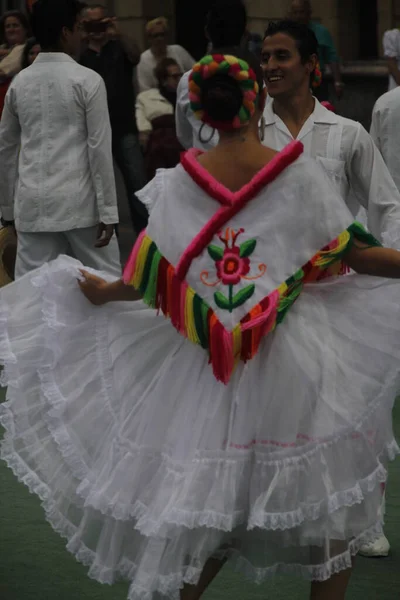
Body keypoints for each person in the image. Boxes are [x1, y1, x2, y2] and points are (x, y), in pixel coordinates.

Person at [1, 48, 400, 600]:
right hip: (298, 353)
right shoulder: (296, 172)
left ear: (200, 113)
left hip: (210, 365)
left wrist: (102, 293)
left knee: (214, 506)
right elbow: (353, 253)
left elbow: (150, 271)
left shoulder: (186, 180)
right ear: (254, 100)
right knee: (329, 512)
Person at [0, 0, 121, 279]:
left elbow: (5, 150)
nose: (83, 35)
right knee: (107, 287)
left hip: (33, 204)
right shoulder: (88, 80)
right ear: (66, 32)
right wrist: (109, 211)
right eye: (79, 27)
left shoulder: (19, 83)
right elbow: (99, 149)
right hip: (83, 205)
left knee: (31, 297)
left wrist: (8, 211)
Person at [261, 20, 400, 249]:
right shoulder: (250, 136)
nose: (270, 66)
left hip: (335, 278)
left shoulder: (348, 133)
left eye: (282, 56)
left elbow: (387, 209)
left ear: (310, 63)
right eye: (265, 58)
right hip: (265, 279)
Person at [80, 4, 147, 235]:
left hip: (124, 127)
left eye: (101, 22)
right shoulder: (81, 54)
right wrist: (82, 36)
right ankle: (110, 237)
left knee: (138, 183)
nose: (96, 29)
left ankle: (145, 236)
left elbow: (136, 55)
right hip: (94, 131)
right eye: (91, 24)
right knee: (102, 190)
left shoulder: (119, 47)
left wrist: (116, 32)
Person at [176, 0, 247, 151]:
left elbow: (184, 137)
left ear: (207, 33)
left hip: (203, 167)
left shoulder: (188, 81)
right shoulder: (261, 80)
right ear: (245, 33)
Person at [136, 57, 184, 180]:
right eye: (174, 77)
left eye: (181, 75)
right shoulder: (146, 98)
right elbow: (142, 125)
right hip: (161, 147)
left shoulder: (189, 97)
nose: (179, 80)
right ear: (163, 80)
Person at [288, 0, 343, 101]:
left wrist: (337, 82)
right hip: (293, 83)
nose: (298, 16)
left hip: (317, 82)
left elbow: (332, 57)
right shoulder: (286, 33)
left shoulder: (321, 32)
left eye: (301, 12)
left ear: (309, 13)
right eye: (295, 13)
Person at [138, 17, 194, 92]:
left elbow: (195, 71)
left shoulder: (178, 50)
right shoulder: (143, 59)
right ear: (149, 38)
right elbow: (144, 89)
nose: (160, 38)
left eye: (162, 34)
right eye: (156, 35)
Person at [0, 10, 30, 116]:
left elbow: (2, 71)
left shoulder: (26, 48)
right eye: (8, 26)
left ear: (25, 29)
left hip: (12, 102)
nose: (11, 29)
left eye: (15, 25)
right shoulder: (3, 48)